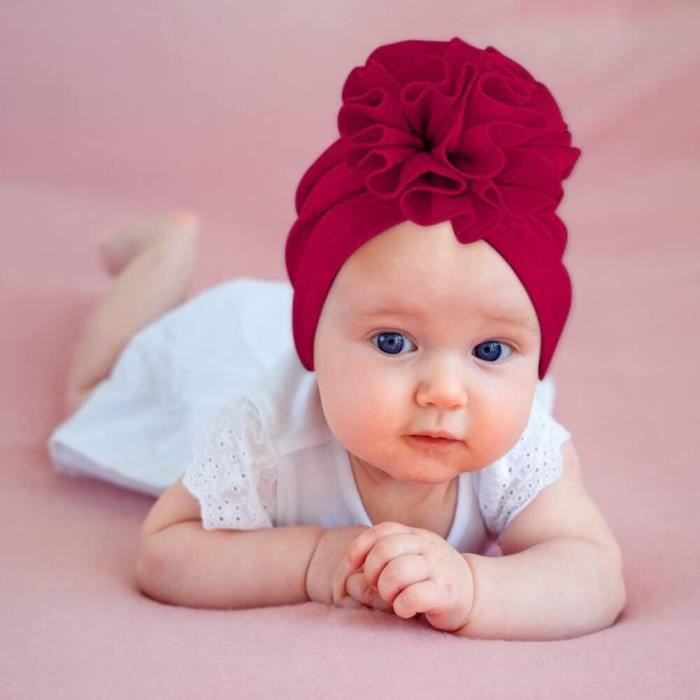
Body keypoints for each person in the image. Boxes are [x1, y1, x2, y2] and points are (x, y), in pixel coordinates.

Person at [47, 37, 626, 641]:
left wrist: (476, 588)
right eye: (394, 343)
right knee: (100, 396)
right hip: (221, 350)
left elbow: (591, 570)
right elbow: (163, 552)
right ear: (314, 344)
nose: (445, 393)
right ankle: (161, 253)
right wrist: (311, 559)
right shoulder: (262, 438)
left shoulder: (518, 450)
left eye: (489, 352)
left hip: (324, 318)